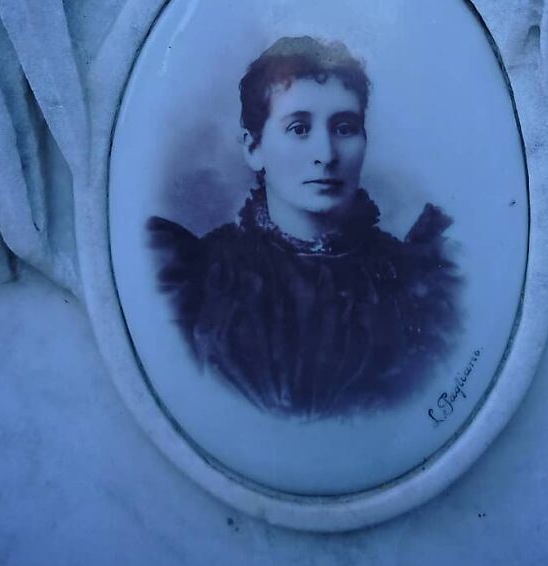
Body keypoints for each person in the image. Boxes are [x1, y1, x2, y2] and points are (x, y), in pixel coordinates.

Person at [147, 36, 460, 419]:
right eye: (298, 129)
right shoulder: (201, 280)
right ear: (253, 147)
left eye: (344, 128)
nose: (326, 155)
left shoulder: (413, 283)